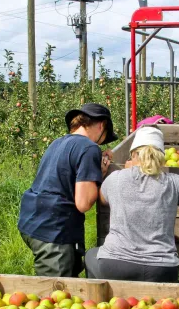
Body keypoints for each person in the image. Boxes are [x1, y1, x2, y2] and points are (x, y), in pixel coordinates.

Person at [85, 126, 179, 283]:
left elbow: (102, 199)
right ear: (160, 157)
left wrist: (105, 174)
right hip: (161, 269)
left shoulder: (115, 179)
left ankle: (101, 301)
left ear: (133, 154)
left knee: (90, 255)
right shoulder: (171, 182)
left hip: (116, 265)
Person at [17, 103, 117, 277]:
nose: (101, 143)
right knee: (57, 295)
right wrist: (99, 176)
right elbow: (83, 203)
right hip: (54, 229)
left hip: (32, 221)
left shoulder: (58, 142)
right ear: (102, 125)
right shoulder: (89, 148)